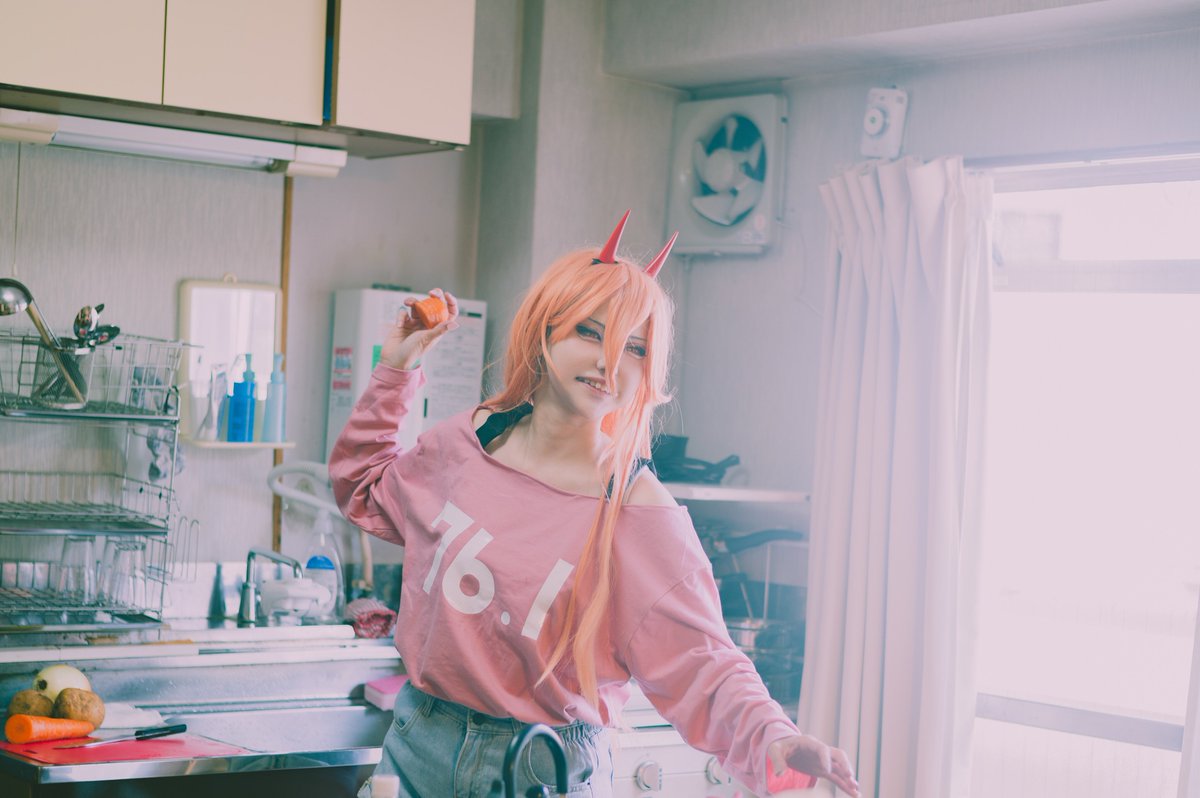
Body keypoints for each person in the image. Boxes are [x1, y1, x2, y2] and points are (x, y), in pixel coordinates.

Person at [329, 211, 859, 798]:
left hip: (542, 765)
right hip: (418, 742)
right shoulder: (468, 443)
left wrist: (773, 736)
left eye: (635, 347)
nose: (610, 361)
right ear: (544, 330)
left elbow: (704, 659)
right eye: (590, 332)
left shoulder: (636, 510)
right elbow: (363, 486)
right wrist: (397, 365)